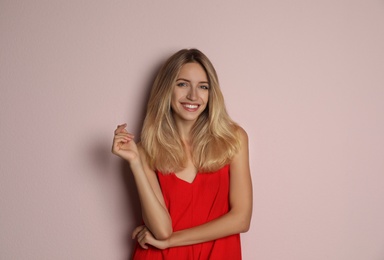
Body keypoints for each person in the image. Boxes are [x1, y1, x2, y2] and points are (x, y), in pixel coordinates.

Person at [112, 48, 252, 259]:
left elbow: (241, 219)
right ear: (166, 89)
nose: (193, 95)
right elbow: (161, 230)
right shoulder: (146, 149)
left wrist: (170, 242)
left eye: (203, 87)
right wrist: (135, 162)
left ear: (211, 93)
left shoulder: (233, 139)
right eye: (182, 84)